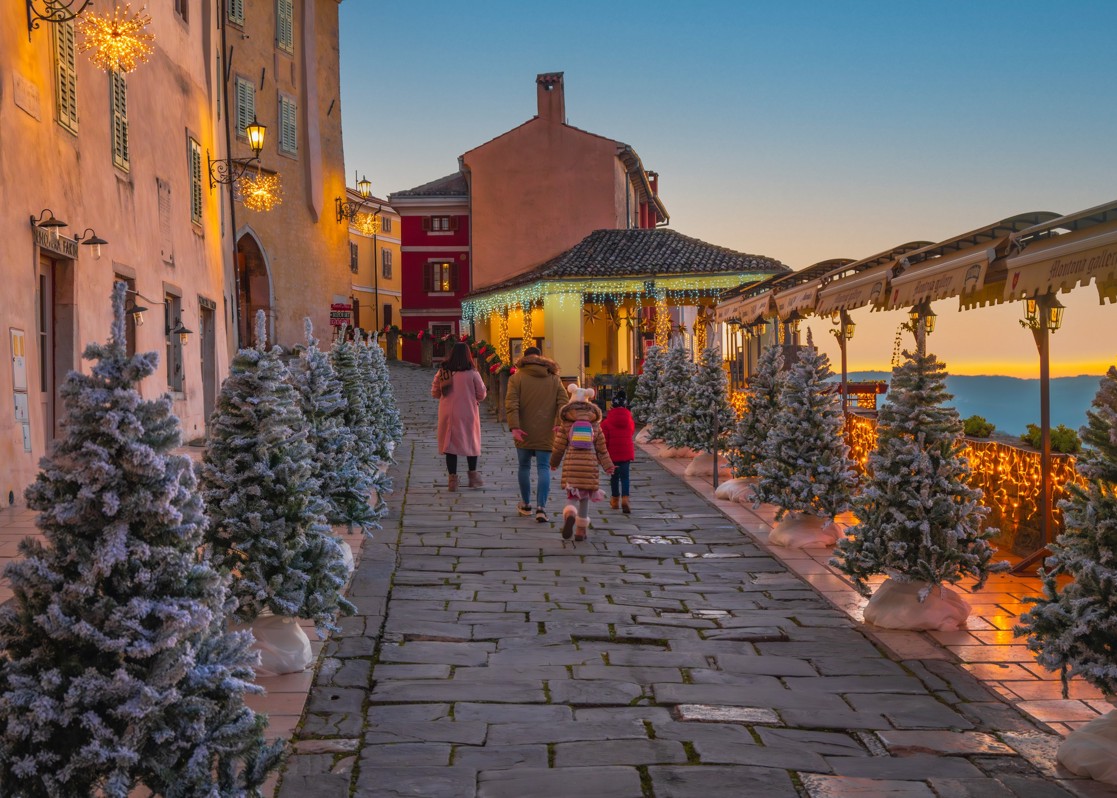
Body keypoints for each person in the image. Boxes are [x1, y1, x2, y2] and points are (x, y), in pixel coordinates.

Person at [505, 346, 568, 523]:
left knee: (524, 466)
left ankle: (526, 505)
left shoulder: (516, 378)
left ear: (524, 359)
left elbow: (511, 404)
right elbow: (563, 402)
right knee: (544, 468)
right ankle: (541, 508)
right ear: (541, 358)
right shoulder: (554, 379)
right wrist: (559, 423)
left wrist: (515, 427)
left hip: (523, 430)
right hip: (547, 430)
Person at [550, 384, 614, 542]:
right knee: (585, 498)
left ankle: (570, 513)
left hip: (572, 465)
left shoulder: (566, 424)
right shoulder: (595, 424)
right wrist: (608, 466)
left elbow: (558, 448)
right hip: (590, 465)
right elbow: (602, 449)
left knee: (572, 495)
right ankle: (580, 531)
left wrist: (554, 463)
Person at [430, 342, 487, 491]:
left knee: (450, 445)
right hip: (468, 412)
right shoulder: (473, 373)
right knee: (471, 443)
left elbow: (435, 392)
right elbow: (481, 394)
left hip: (448, 412)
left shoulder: (444, 372)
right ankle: (473, 477)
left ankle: (452, 480)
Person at [601, 388, 636, 513]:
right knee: (625, 477)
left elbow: (603, 439)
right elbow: (631, 433)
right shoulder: (630, 421)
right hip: (626, 452)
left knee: (614, 478)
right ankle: (625, 498)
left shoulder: (606, 423)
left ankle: (615, 500)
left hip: (612, 454)